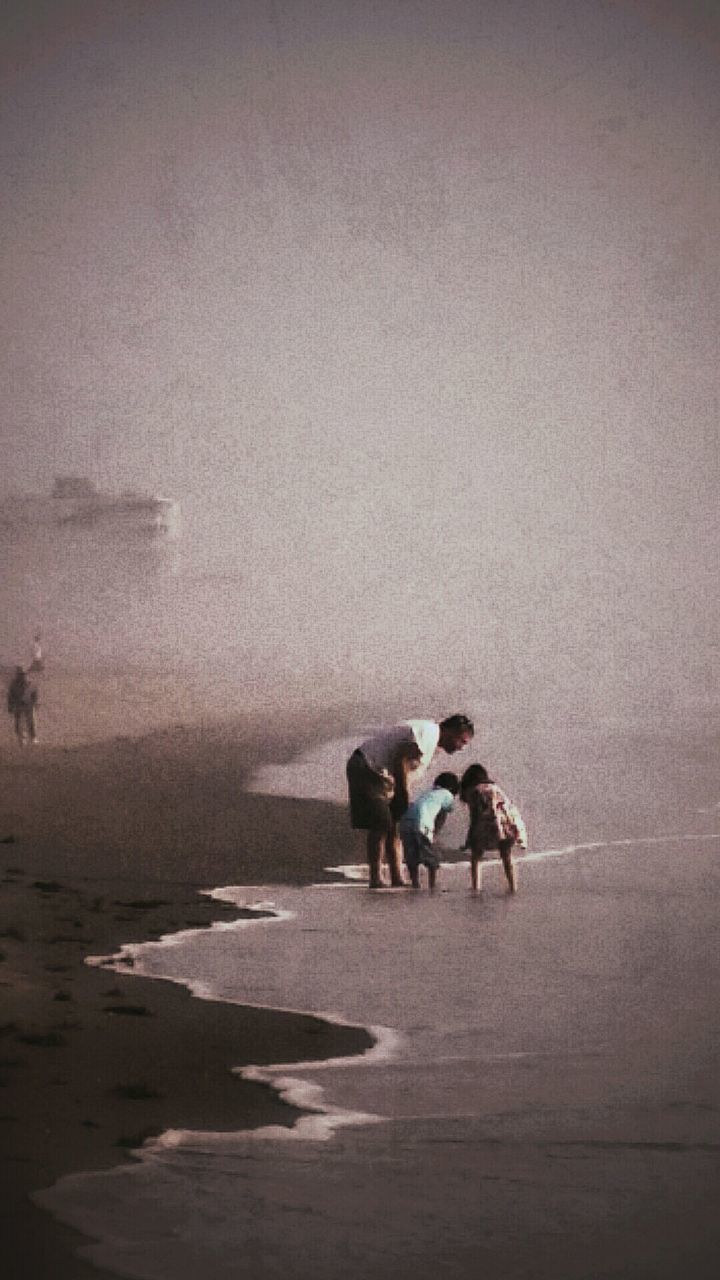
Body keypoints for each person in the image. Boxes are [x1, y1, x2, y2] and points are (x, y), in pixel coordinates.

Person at [346, 714, 474, 889]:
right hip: (368, 767)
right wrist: (403, 794)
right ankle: (376, 878)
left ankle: (397, 876)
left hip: (384, 775)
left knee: (394, 827)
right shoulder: (428, 733)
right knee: (381, 823)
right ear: (451, 732)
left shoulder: (433, 743)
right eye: (462, 741)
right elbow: (401, 759)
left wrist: (401, 793)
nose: (460, 747)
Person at [460, 763, 527, 893]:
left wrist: (469, 839)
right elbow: (509, 808)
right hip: (506, 826)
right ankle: (513, 886)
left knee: (476, 856)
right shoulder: (495, 788)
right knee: (506, 855)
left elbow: (475, 816)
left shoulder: (475, 791)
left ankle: (476, 887)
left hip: (486, 826)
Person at [399, 771, 460, 890]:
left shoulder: (427, 792)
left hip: (405, 822)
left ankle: (415, 883)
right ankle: (432, 884)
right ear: (453, 788)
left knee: (412, 855)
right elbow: (443, 814)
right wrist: (435, 833)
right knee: (431, 856)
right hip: (422, 823)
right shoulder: (447, 794)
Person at [7, 667, 39, 747]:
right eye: (20, 674)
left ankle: (33, 737)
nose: (22, 676)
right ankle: (22, 739)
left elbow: (35, 694)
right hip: (18, 705)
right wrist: (10, 706)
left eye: (23, 674)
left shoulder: (30, 684)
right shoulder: (13, 684)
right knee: (18, 723)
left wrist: (35, 703)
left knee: (31, 721)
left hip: (29, 705)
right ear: (17, 675)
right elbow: (10, 696)